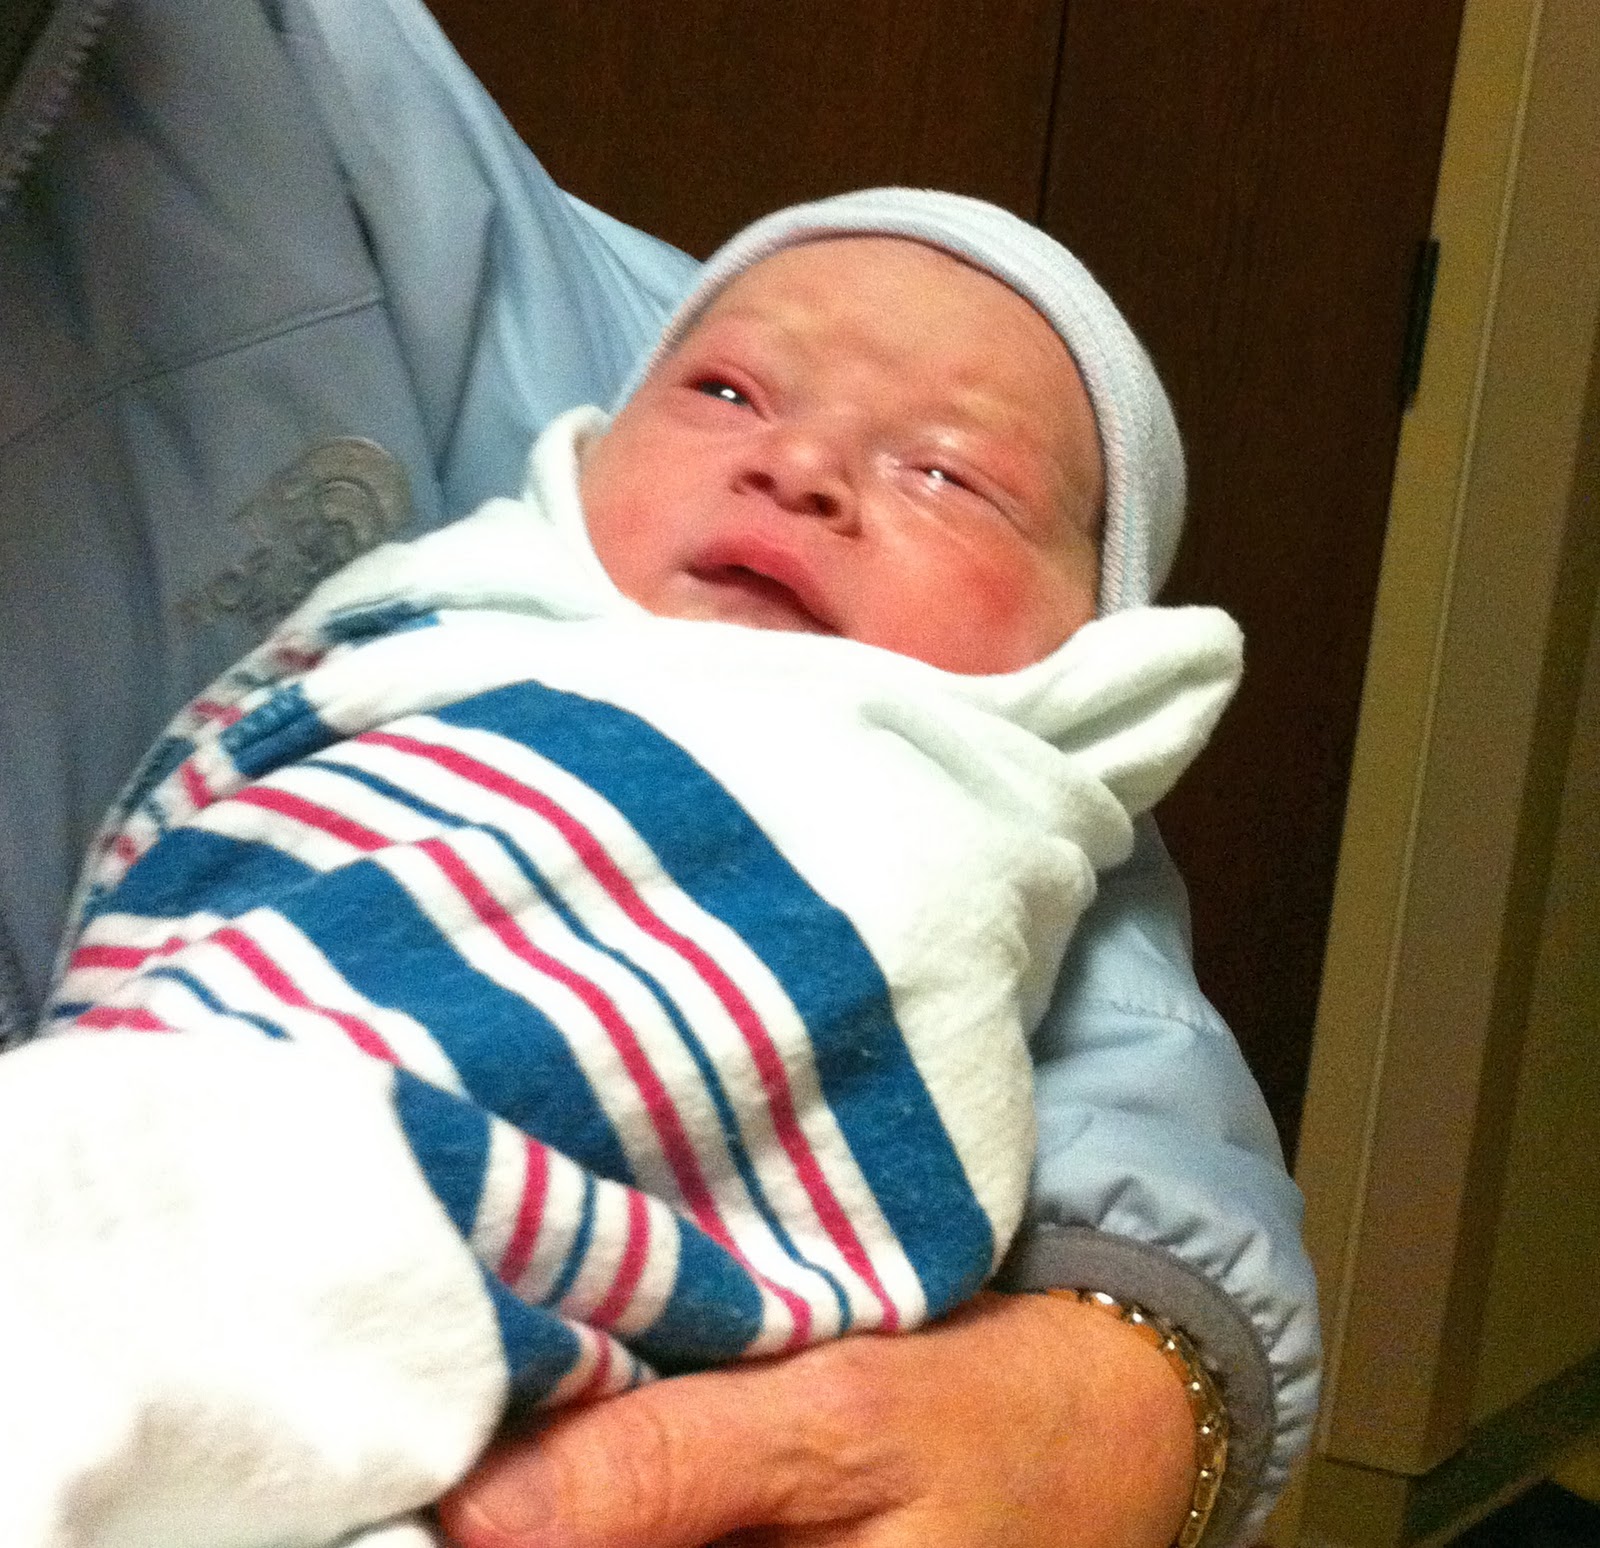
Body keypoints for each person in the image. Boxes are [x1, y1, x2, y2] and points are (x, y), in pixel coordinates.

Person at [0, 2, 1320, 1545]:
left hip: (345, 1251)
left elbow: (1071, 922)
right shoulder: (455, 626)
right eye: (728, 397)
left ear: (1097, 676)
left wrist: (1139, 1364)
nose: (796, 463)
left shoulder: (301, 85)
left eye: (947, 473)